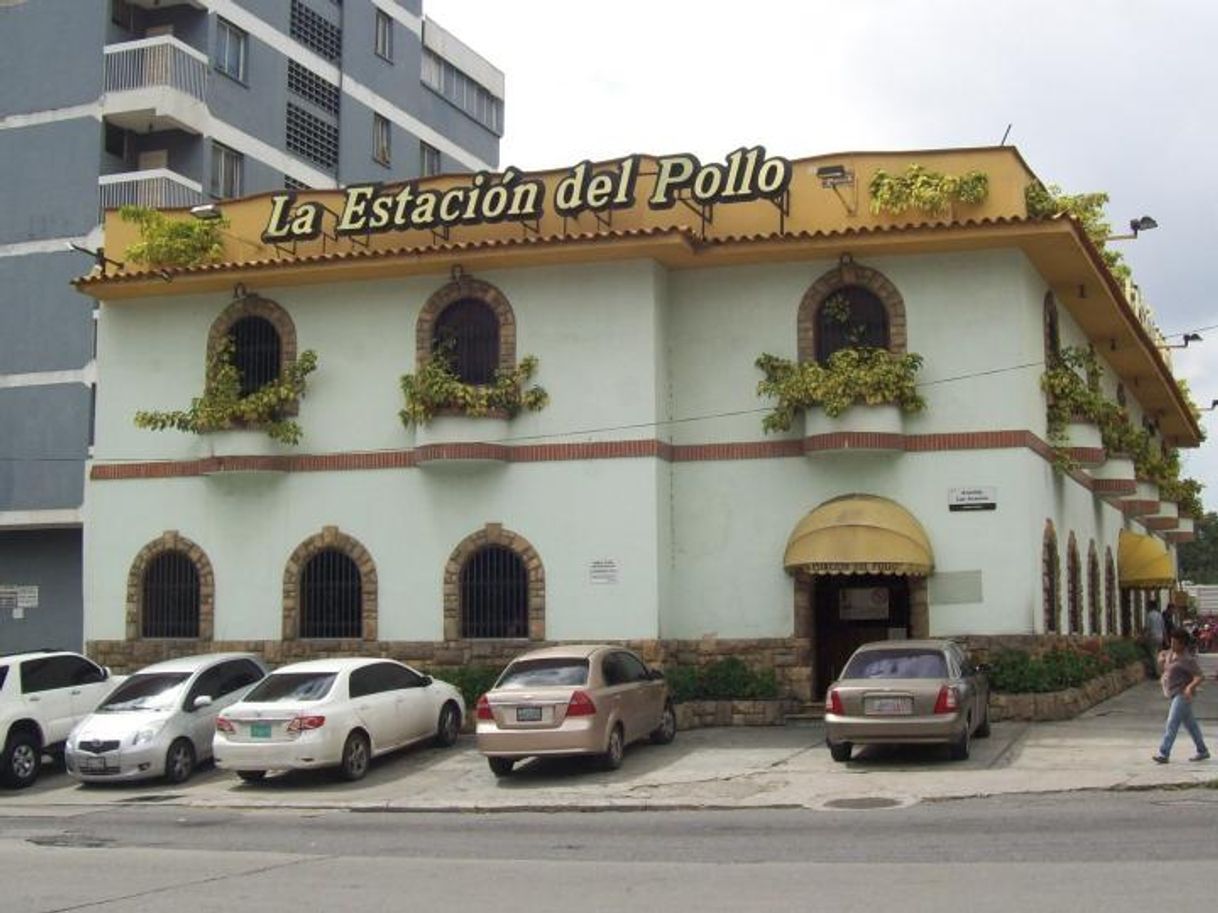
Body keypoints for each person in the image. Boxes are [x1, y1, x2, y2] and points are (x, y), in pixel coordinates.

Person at [1152, 629, 1209, 764]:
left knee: (1172, 722)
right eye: (1171, 642)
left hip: (1182, 695)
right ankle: (1202, 750)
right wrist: (1160, 659)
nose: (1172, 645)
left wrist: (1190, 687)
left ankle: (1164, 753)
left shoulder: (1187, 659)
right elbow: (1162, 659)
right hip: (1172, 693)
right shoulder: (1170, 654)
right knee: (1191, 725)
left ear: (1183, 645)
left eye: (1175, 643)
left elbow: (1200, 676)